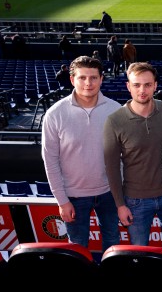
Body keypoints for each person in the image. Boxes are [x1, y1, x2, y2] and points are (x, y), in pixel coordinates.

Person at [41, 56, 121, 253]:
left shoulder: (116, 110)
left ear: (102, 79)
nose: (88, 83)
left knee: (113, 243)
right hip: (73, 197)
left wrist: (121, 194)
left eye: (93, 77)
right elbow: (50, 160)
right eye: (82, 77)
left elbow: (124, 156)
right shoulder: (55, 114)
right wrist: (62, 200)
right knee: (77, 248)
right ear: (72, 80)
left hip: (109, 194)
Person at [103, 62, 162, 254]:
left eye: (147, 85)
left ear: (155, 85)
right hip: (135, 200)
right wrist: (120, 205)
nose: (142, 90)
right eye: (136, 85)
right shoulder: (114, 121)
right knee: (139, 251)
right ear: (129, 86)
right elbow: (112, 168)